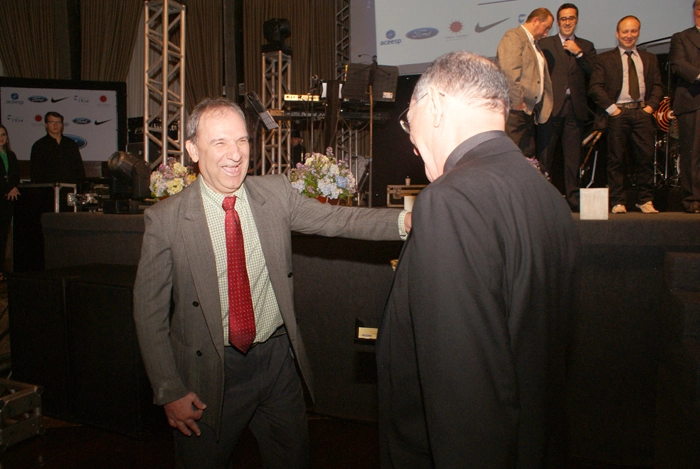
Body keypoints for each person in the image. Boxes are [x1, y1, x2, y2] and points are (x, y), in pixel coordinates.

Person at [133, 97, 409, 469]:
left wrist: (404, 222)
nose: (235, 154)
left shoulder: (275, 194)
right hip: (209, 375)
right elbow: (148, 312)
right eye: (220, 142)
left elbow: (338, 220)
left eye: (243, 141)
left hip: (277, 364)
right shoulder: (165, 219)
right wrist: (170, 390)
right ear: (193, 149)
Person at [376, 51, 579, 467]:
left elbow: (463, 387)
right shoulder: (546, 194)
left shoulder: (451, 199)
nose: (412, 144)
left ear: (432, 106)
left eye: (407, 121)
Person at [588, 16, 663, 214]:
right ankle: (617, 201)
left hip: (642, 112)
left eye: (633, 31)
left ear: (638, 32)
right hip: (618, 114)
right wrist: (614, 110)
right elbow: (595, 88)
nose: (629, 36)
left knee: (645, 159)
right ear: (617, 33)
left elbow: (657, 86)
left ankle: (644, 199)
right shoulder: (604, 59)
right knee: (616, 160)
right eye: (624, 32)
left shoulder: (649, 58)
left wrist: (650, 108)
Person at [537, 3, 596, 211]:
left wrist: (579, 54)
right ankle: (543, 200)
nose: (567, 22)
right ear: (558, 22)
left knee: (573, 159)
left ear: (577, 20)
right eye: (563, 19)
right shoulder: (545, 43)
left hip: (575, 111)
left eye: (571, 18)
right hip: (551, 109)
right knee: (545, 158)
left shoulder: (586, 46)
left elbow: (594, 73)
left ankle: (573, 201)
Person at [497, 8, 554, 158]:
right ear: (535, 20)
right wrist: (517, 102)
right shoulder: (514, 36)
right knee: (512, 155)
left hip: (528, 110)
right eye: (546, 27)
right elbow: (509, 71)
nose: (546, 33)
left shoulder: (533, 44)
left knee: (526, 155)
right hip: (516, 110)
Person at [670, 1, 700, 213]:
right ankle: (693, 198)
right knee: (693, 154)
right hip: (692, 101)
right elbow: (678, 64)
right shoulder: (681, 37)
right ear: (694, 11)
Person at [30, 111, 85, 185]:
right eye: (52, 122)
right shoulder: (39, 146)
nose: (55, 125)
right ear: (46, 124)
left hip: (70, 189)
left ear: (62, 125)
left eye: (58, 122)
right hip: (48, 189)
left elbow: (79, 169)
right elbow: (35, 173)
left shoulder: (71, 144)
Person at [0, 125, 19, 281]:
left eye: (3, 134)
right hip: (1, 195)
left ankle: (2, 269)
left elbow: (15, 175)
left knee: (3, 235)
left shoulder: (11, 155)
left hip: (8, 201)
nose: (1, 138)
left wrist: (12, 187)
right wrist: (8, 188)